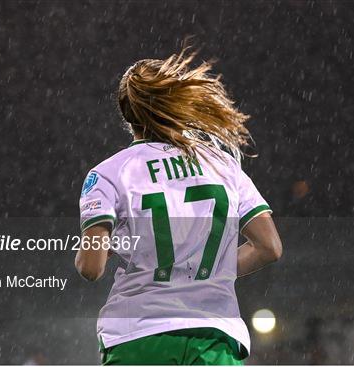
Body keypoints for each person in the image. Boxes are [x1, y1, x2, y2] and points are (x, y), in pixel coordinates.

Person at [75, 49, 282, 365]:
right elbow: (269, 247)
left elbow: (91, 268)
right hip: (215, 336)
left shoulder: (108, 173)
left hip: (138, 335)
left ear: (126, 115)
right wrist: (208, 274)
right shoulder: (222, 164)